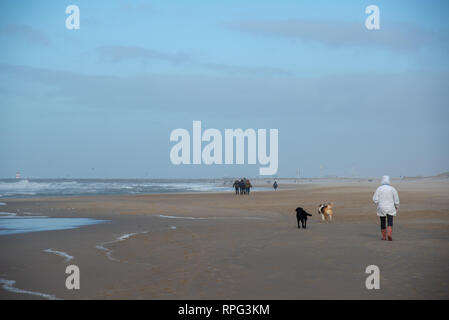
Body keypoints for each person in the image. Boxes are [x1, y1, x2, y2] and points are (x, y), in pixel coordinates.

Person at [373, 176, 400, 241]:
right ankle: (389, 234)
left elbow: (375, 199)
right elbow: (396, 199)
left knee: (382, 221)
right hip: (391, 207)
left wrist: (378, 204)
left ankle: (384, 237)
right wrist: (396, 206)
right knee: (390, 221)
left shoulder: (379, 189)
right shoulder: (392, 189)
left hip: (381, 207)